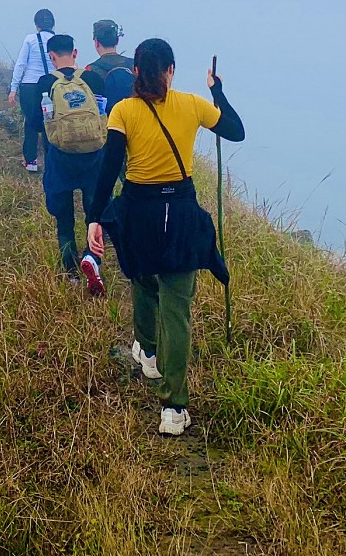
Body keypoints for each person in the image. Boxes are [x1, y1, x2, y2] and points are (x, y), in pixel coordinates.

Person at [86, 38, 245, 437]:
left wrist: (94, 219)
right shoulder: (192, 104)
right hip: (180, 214)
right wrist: (216, 89)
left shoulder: (123, 111)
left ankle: (149, 352)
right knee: (176, 309)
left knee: (142, 276)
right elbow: (235, 131)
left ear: (137, 71)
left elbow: (109, 170)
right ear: (170, 70)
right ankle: (174, 409)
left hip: (138, 213)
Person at [35, 34, 108, 294]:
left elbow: (35, 123)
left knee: (64, 219)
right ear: (75, 53)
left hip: (60, 159)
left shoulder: (44, 84)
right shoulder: (93, 79)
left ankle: (71, 273)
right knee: (94, 215)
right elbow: (103, 118)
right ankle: (92, 260)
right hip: (93, 159)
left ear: (51, 57)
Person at [7, 9, 56, 173]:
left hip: (29, 86)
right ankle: (51, 163)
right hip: (50, 85)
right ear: (53, 24)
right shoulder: (57, 41)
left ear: (37, 25)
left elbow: (21, 64)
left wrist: (13, 88)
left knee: (30, 123)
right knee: (51, 123)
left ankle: (31, 162)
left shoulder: (30, 39)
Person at [82, 19, 135, 112]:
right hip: (134, 118)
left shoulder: (90, 70)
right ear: (117, 40)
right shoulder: (134, 65)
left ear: (96, 42)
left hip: (108, 122)